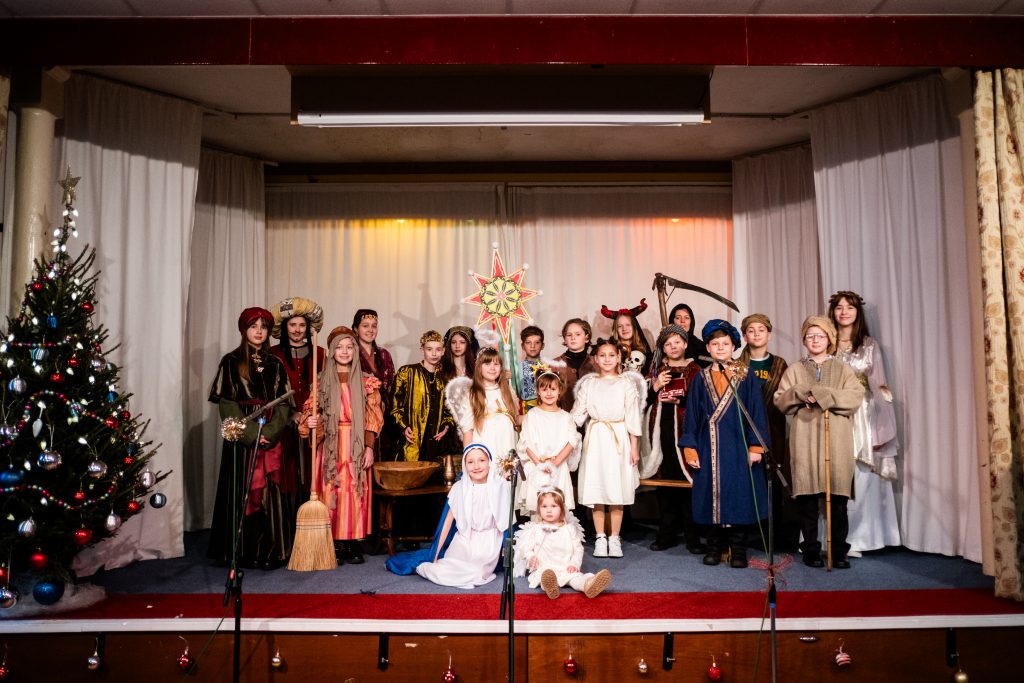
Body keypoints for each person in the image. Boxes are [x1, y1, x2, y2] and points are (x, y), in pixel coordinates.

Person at [207, 307, 297, 570]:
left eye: (264, 327)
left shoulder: (276, 363)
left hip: (270, 435)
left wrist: (269, 433)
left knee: (270, 493)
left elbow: (284, 406)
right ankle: (243, 550)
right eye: (253, 326)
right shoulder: (231, 361)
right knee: (243, 491)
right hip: (244, 439)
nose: (259, 331)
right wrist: (251, 435)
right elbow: (227, 404)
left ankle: (271, 550)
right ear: (244, 330)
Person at [773, 316, 865, 569]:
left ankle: (838, 551)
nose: (815, 340)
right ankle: (811, 549)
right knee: (808, 499)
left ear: (830, 340)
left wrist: (825, 395)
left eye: (821, 336)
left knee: (837, 500)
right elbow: (780, 400)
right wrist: (801, 393)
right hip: (804, 439)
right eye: (811, 336)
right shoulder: (794, 369)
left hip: (836, 440)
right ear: (804, 340)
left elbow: (855, 396)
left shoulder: (842, 369)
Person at [680, 320, 769, 569]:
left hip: (737, 448)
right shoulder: (701, 378)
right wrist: (690, 448)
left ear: (734, 346)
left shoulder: (745, 375)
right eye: (715, 344)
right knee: (711, 495)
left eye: (725, 344)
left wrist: (755, 447)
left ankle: (738, 549)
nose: (720, 348)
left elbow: (756, 412)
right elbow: (693, 417)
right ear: (708, 348)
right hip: (709, 447)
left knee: (739, 496)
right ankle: (714, 546)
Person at [298, 326, 383, 565]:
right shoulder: (321, 382)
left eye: (349, 347)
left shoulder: (367, 383)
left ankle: (351, 542)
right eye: (339, 347)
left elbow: (372, 418)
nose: (344, 351)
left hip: (355, 447)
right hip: (332, 447)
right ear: (332, 352)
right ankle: (333, 542)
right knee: (331, 490)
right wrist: (311, 420)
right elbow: (310, 413)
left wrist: (368, 447)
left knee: (355, 492)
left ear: (355, 350)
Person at [829, 291, 901, 555]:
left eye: (849, 307)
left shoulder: (868, 345)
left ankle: (860, 537)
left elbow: (879, 384)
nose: (844, 312)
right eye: (839, 307)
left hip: (861, 412)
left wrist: (883, 420)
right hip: (833, 410)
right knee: (832, 474)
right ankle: (828, 538)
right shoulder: (826, 342)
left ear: (858, 312)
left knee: (861, 474)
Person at [572, 338, 644, 558]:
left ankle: (615, 537)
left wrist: (634, 448)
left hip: (619, 439)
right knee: (597, 489)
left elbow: (633, 418)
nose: (607, 359)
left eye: (611, 355)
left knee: (616, 489)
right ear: (595, 359)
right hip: (595, 440)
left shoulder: (626, 384)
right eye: (602, 355)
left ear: (619, 357)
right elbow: (577, 415)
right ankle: (600, 537)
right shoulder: (589, 384)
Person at [737, 313, 799, 553]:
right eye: (751, 330)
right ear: (744, 335)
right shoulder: (737, 364)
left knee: (773, 478)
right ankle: (751, 532)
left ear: (769, 334)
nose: (756, 334)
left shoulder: (780, 364)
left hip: (772, 428)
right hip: (744, 428)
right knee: (749, 480)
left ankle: (774, 533)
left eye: (761, 330)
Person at [643, 324, 704, 553]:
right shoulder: (656, 368)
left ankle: (693, 536)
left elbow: (702, 402)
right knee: (664, 485)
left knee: (688, 484)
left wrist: (683, 401)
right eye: (668, 344)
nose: (673, 346)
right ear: (663, 348)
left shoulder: (695, 369)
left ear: (685, 344)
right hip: (662, 432)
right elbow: (643, 399)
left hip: (685, 432)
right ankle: (666, 533)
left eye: (677, 342)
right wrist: (656, 385)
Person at [414, 444, 510, 588]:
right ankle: (438, 571)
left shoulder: (500, 486)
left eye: (481, 460)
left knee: (477, 572)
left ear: (489, 462)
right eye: (470, 462)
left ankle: (463, 576)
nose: (476, 466)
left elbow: (505, 524)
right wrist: (435, 554)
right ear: (465, 465)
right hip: (464, 539)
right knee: (444, 566)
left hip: (488, 542)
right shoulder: (459, 487)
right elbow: (446, 523)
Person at [514, 487, 612, 599]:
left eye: (554, 506)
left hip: (566, 566)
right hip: (545, 567)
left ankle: (588, 584)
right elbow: (528, 548)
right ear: (539, 509)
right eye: (544, 506)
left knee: (575, 579)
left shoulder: (569, 529)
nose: (549, 510)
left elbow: (578, 549)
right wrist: (531, 557)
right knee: (544, 576)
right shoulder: (536, 529)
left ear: (562, 508)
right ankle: (550, 587)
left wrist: (574, 564)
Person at [269, 297, 326, 489]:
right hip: (284, 423)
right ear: (285, 327)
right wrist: (290, 414)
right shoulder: (273, 354)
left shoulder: (320, 353)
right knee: (288, 475)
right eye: (293, 324)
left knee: (312, 476)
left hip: (313, 424)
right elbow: (270, 392)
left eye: (302, 325)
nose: (297, 329)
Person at [516, 367, 581, 517]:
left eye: (553, 389)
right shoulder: (532, 415)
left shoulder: (566, 417)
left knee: (557, 508)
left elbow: (572, 441)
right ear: (538, 391)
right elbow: (525, 443)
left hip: (558, 468)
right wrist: (540, 464)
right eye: (544, 389)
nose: (549, 393)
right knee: (538, 509)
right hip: (537, 466)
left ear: (560, 390)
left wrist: (555, 463)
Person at [391, 331, 455, 462]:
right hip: (411, 438)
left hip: (434, 443)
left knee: (432, 477)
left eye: (438, 349)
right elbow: (395, 406)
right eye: (429, 349)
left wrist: (446, 426)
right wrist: (403, 427)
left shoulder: (444, 380)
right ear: (422, 350)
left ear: (443, 351)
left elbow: (448, 410)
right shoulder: (407, 372)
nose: (434, 353)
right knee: (410, 476)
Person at [446, 346, 520, 458]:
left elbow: (516, 419)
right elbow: (468, 430)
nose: (492, 368)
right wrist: (469, 457)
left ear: (501, 368)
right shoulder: (473, 394)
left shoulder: (508, 391)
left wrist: (537, 413)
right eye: (487, 364)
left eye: (496, 364)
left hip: (507, 445)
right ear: (479, 368)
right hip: (485, 448)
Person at [352, 308, 397, 455]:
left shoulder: (384, 354)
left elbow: (391, 386)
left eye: (374, 325)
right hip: (357, 415)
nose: (371, 330)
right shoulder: (349, 353)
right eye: (365, 326)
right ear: (355, 329)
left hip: (382, 416)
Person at [553, 318, 597, 412]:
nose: (573, 338)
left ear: (587, 338)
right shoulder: (554, 364)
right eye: (569, 335)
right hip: (563, 419)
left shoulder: (597, 363)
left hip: (591, 421)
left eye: (578, 334)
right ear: (565, 339)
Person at [602, 299, 653, 376]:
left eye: (628, 325)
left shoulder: (645, 352)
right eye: (620, 326)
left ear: (634, 327)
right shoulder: (611, 352)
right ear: (616, 330)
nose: (624, 329)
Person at [670, 303, 711, 368]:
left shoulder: (700, 346)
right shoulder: (664, 345)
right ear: (672, 321)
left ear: (691, 321)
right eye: (678, 318)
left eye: (686, 318)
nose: (682, 321)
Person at [518, 325, 546, 411]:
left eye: (537, 342)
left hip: (545, 408)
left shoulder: (548, 367)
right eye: (528, 343)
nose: (532, 346)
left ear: (542, 346)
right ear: (523, 346)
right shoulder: (517, 368)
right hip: (525, 410)